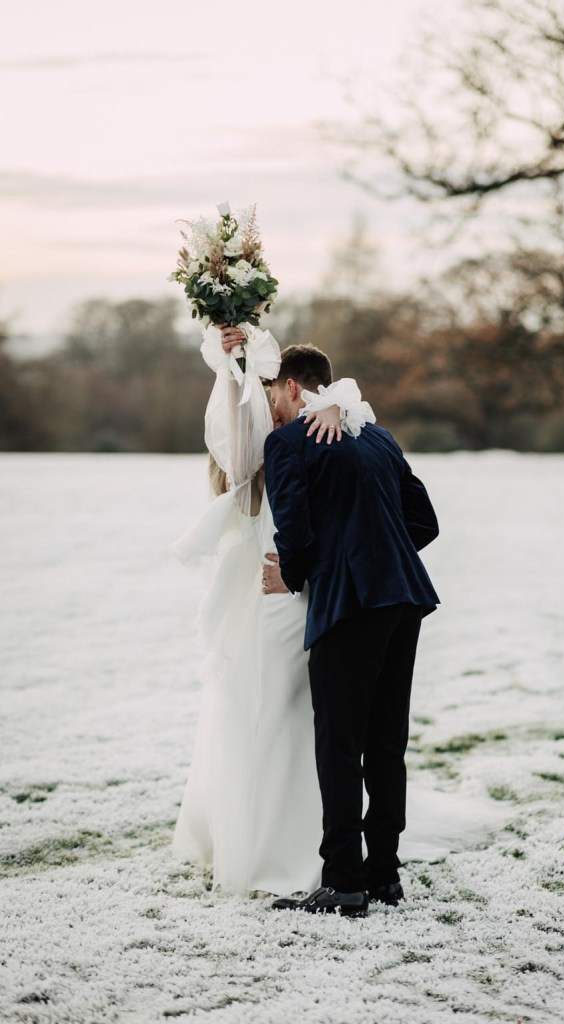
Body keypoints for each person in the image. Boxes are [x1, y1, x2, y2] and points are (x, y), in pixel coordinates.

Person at [172, 324, 374, 896]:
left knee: (297, 706)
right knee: (257, 702)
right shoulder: (257, 441)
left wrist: (332, 405)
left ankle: (312, 841)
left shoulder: (310, 426)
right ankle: (258, 837)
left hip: (298, 584)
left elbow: (345, 396)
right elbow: (245, 452)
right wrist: (231, 362)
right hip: (270, 584)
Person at [263, 345, 439, 918]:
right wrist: (377, 553)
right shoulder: (379, 436)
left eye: (273, 396)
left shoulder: (288, 444)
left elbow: (295, 535)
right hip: (405, 598)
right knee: (386, 742)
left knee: (338, 744)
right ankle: (384, 875)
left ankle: (342, 881)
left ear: (292, 387)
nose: (273, 410)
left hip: (351, 606)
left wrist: (290, 576)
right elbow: (424, 522)